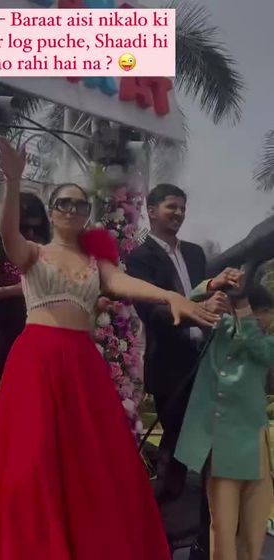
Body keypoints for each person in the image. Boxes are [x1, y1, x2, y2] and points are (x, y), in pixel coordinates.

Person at [0, 140, 218, 560]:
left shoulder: (98, 263)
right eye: (64, 203)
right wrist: (14, 181)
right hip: (36, 361)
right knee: (31, 457)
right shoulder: (33, 253)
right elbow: (8, 234)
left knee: (92, 460)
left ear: (86, 214)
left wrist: (170, 295)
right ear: (51, 210)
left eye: (80, 205)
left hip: (81, 364)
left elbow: (125, 283)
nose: (72, 210)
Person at [125, 183, 241, 557]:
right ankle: (159, 534)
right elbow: (152, 312)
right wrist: (196, 314)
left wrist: (218, 297)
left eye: (182, 208)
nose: (178, 213)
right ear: (151, 210)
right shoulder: (138, 259)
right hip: (170, 368)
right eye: (171, 207)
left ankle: (201, 540)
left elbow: (205, 296)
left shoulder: (194, 253)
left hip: (206, 363)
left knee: (204, 454)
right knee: (181, 450)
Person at [175, 282, 274, 560]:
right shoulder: (220, 332)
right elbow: (186, 304)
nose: (267, 320)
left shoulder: (265, 343)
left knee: (254, 532)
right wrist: (212, 285)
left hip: (255, 447)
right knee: (223, 531)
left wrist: (243, 310)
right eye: (264, 312)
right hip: (223, 446)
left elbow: (257, 347)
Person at [0, 193, 50, 412]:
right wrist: (12, 291)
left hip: (40, 327)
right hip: (3, 326)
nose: (31, 234)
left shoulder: (47, 248)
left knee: (35, 393)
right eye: (24, 228)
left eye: (36, 228)